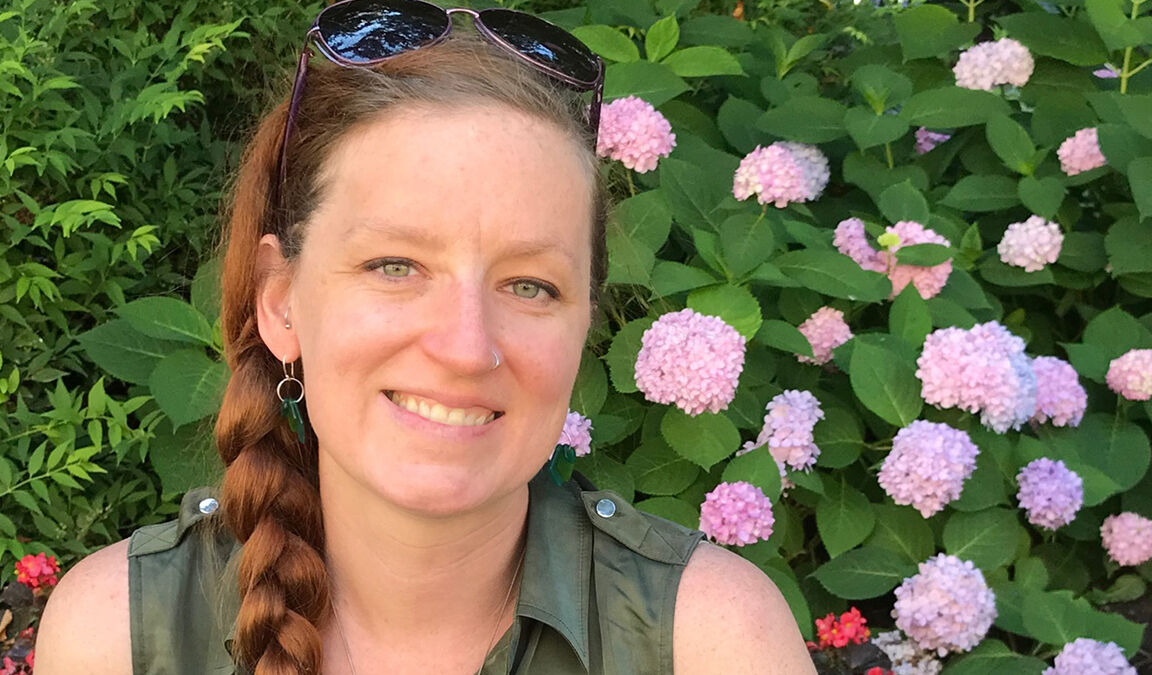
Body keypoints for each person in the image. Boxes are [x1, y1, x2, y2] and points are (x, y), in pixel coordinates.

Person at [36, 2, 816, 673]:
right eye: (396, 264)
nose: (467, 346)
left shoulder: (714, 640)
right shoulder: (119, 636)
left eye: (530, 285)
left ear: (584, 323)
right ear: (281, 303)